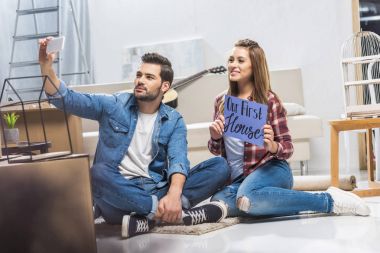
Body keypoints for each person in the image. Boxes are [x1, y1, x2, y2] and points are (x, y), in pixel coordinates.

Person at [38, 38, 230, 238]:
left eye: (149, 77)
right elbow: (66, 99)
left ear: (164, 86)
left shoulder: (173, 120)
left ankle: (148, 219)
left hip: (155, 189)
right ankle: (166, 214)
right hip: (118, 194)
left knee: (220, 166)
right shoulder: (113, 104)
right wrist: (46, 67)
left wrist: (173, 195)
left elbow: (178, 160)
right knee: (98, 173)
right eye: (139, 75)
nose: (140, 80)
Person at [208, 38, 370, 218]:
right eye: (231, 60)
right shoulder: (221, 102)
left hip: (273, 170)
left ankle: (329, 200)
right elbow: (218, 152)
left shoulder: (269, 101)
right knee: (219, 201)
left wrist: (272, 146)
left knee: (248, 197)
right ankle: (276, 203)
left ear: (254, 66)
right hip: (239, 180)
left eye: (240, 60)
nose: (233, 65)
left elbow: (288, 148)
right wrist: (215, 137)